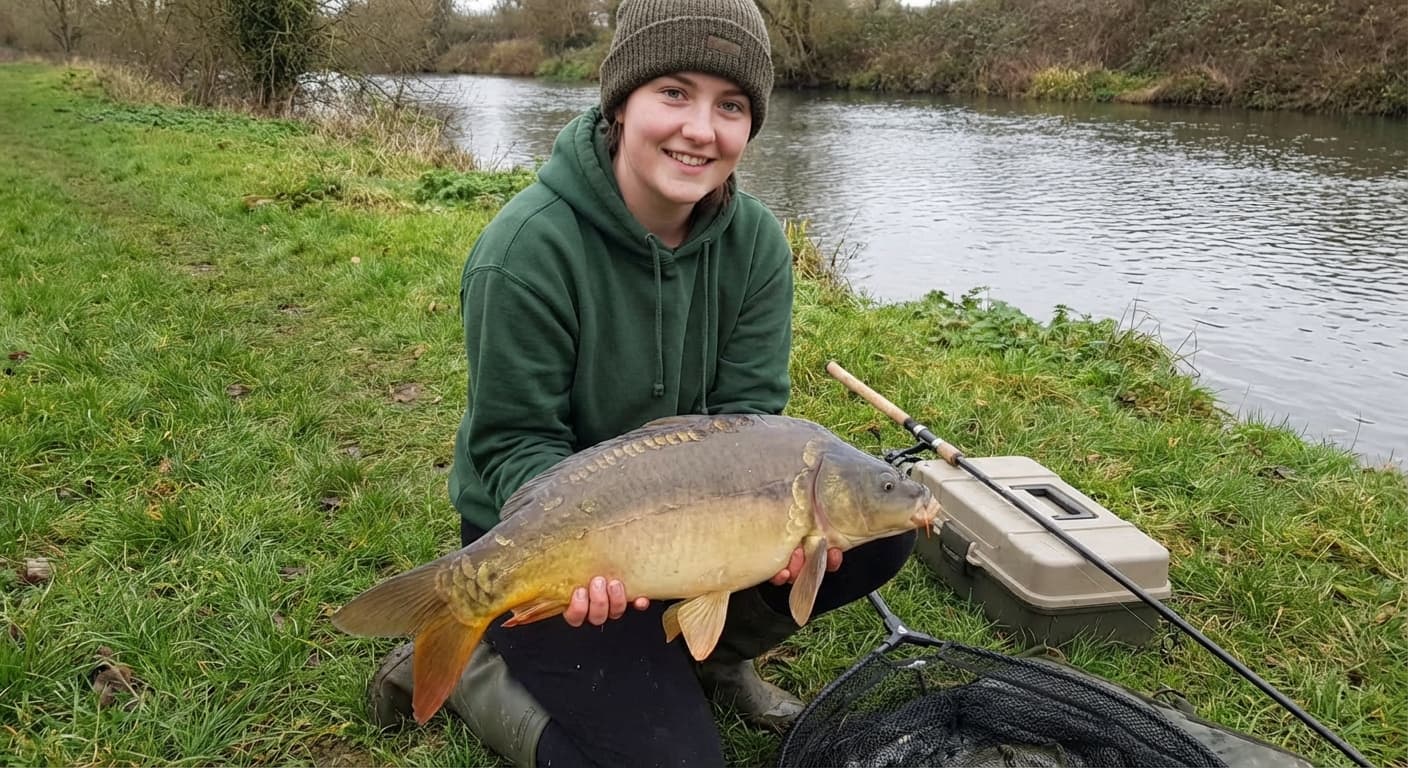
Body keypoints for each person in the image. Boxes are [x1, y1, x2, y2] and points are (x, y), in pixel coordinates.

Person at [365, 0, 917, 764]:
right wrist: (585, 560)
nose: (701, 129)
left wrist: (772, 543)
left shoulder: (757, 242)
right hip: (545, 529)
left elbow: (750, 422)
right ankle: (480, 664)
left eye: (730, 106)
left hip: (696, 521)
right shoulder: (525, 251)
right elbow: (512, 445)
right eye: (674, 93)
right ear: (621, 102)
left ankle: (711, 656)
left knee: (874, 533)